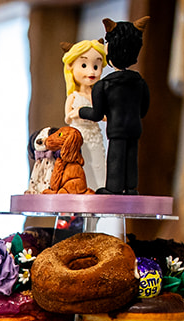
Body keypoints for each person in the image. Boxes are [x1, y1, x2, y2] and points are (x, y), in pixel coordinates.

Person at [78, 17, 152, 195]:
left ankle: (114, 187)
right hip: (134, 127)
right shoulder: (140, 82)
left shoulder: (104, 85)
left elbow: (96, 114)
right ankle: (131, 187)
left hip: (117, 129)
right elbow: (144, 108)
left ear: (109, 49)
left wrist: (82, 111)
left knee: (116, 158)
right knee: (131, 158)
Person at [61, 38, 109, 191]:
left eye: (96, 66)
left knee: (98, 164)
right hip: (80, 137)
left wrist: (99, 115)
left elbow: (106, 116)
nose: (91, 71)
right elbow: (67, 118)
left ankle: (99, 189)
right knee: (83, 165)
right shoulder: (74, 96)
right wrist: (76, 114)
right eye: (84, 65)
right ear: (71, 67)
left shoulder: (98, 96)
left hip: (95, 136)